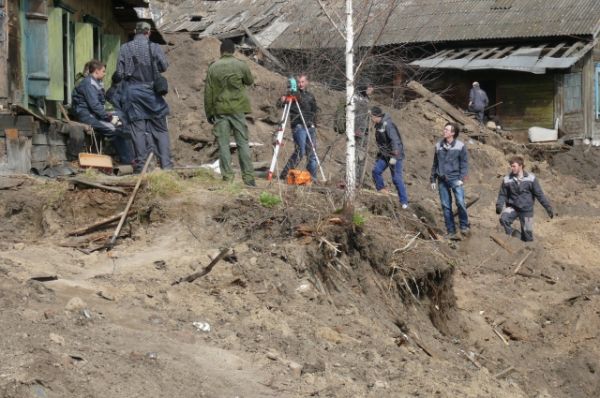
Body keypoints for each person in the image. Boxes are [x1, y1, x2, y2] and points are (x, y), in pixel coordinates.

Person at [116, 21, 172, 172]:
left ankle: (141, 167)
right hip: (151, 92)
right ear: (148, 32)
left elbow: (119, 73)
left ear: (135, 31)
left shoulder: (124, 48)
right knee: (160, 129)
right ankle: (166, 166)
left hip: (132, 93)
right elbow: (164, 67)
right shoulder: (154, 47)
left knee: (138, 130)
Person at [204, 39, 256, 186]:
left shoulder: (213, 68)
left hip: (220, 111)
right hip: (238, 109)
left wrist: (209, 113)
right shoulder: (241, 65)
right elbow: (249, 81)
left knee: (223, 144)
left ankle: (227, 178)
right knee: (242, 144)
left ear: (221, 51)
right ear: (233, 51)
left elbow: (208, 93)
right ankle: (249, 178)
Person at [71, 59, 133, 164]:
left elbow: (100, 104)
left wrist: (112, 115)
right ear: (96, 71)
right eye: (103, 71)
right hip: (88, 115)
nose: (105, 74)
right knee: (114, 129)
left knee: (120, 117)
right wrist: (108, 117)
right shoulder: (89, 83)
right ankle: (127, 159)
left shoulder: (96, 83)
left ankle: (130, 157)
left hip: (95, 114)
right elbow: (95, 106)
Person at [496, 156, 553, 242]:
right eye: (511, 166)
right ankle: (515, 235)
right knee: (504, 219)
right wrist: (499, 205)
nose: (512, 168)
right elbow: (502, 194)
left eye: (514, 166)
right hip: (513, 207)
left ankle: (528, 248)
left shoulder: (531, 178)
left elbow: (539, 194)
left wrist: (548, 208)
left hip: (527, 210)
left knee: (528, 234)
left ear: (521, 166)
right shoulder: (507, 179)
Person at [430, 122, 470, 239]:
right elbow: (435, 164)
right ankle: (451, 231)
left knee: (460, 203)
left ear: (453, 133)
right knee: (446, 206)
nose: (444, 131)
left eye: (447, 130)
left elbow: (464, 164)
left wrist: (462, 179)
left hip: (455, 179)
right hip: (442, 180)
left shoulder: (460, 146)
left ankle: (464, 226)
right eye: (444, 129)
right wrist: (433, 179)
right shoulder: (438, 146)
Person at [278, 74, 319, 181]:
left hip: (310, 127)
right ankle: (285, 173)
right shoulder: (292, 94)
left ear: (307, 82)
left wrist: (314, 124)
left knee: (312, 154)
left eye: (303, 82)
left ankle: (312, 178)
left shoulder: (310, 96)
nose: (301, 84)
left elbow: (314, 111)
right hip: (298, 126)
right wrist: (282, 100)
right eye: (299, 82)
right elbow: (279, 104)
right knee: (300, 151)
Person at [370, 106, 409, 209]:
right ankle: (381, 189)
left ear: (376, 116)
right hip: (385, 155)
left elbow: (395, 141)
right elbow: (382, 143)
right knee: (376, 171)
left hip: (395, 155)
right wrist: (380, 154)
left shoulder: (388, 125)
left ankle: (404, 202)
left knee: (396, 178)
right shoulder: (378, 126)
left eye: (371, 116)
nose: (370, 119)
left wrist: (395, 156)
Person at [355, 83, 374, 186]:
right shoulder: (357, 98)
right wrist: (355, 128)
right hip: (358, 130)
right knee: (356, 154)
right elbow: (354, 114)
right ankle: (352, 177)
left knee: (362, 155)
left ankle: (359, 178)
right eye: (369, 87)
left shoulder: (366, 99)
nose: (371, 89)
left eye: (372, 87)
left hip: (365, 130)